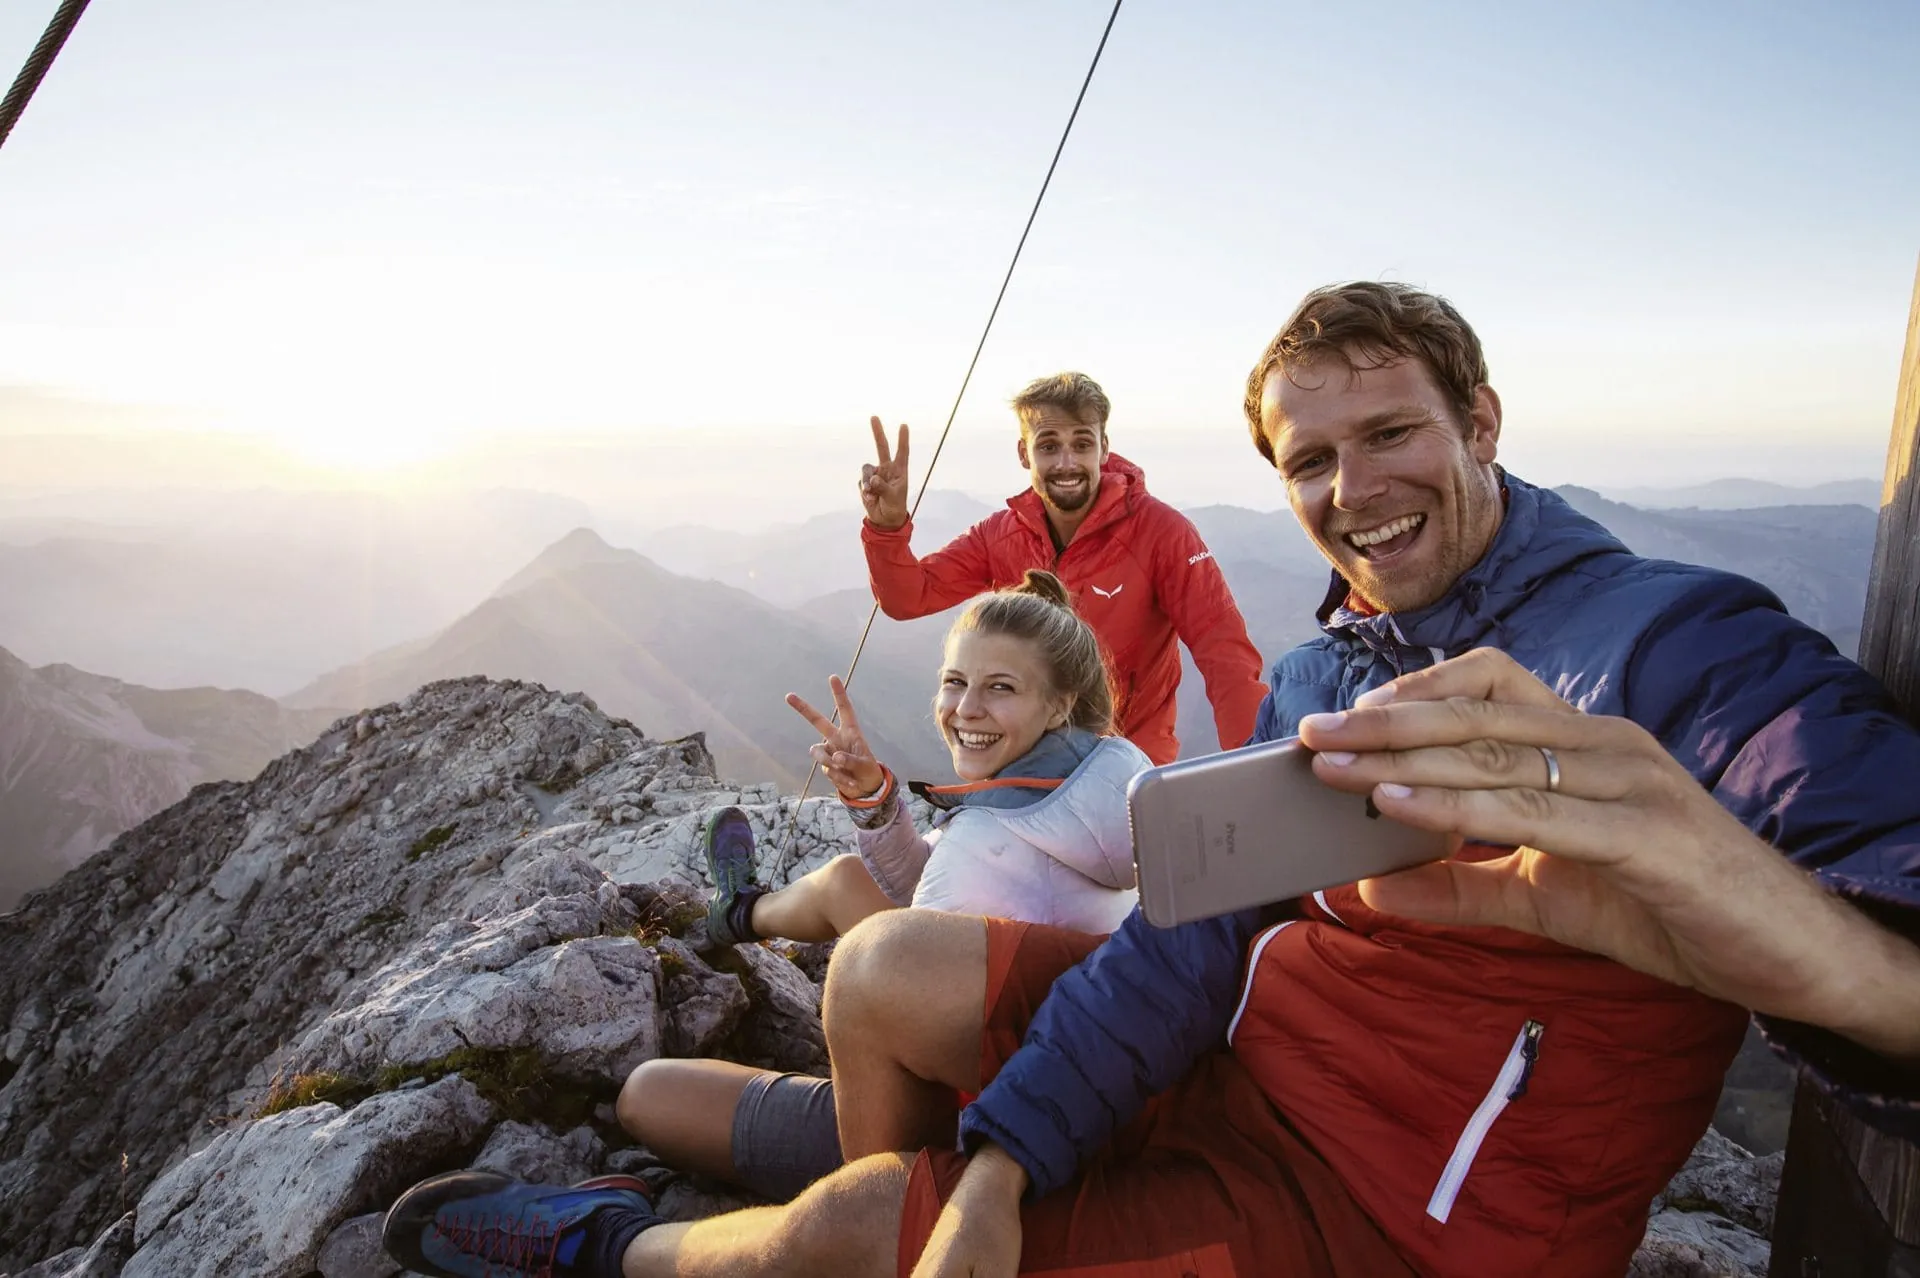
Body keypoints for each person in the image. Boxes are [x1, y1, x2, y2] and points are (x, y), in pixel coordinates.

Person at [382, 283, 1920, 1278]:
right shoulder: (1333, 666)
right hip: (1249, 1064)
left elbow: (1878, 863)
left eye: (1392, 431)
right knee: (881, 964)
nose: (1352, 490)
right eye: (1309, 462)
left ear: (1481, 421)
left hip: (1400, 1214)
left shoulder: (1675, 650)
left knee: (849, 1218)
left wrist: (1815, 946)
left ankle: (629, 1245)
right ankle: (916, 1167)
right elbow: (1198, 922)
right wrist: (1009, 1160)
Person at [647, 569, 1148, 1206]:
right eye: (955, 681)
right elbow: (934, 886)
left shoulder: (984, 841)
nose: (966, 708)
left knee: (648, 1093)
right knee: (844, 879)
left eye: (1000, 687)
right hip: (1052, 1067)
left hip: (967, 1129)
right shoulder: (1100, 788)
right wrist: (873, 800)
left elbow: (904, 962)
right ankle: (742, 911)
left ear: (1059, 704)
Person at [859, 371, 1267, 765]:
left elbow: (1222, 648)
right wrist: (887, 528)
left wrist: (1254, 761)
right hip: (1025, 759)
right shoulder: (999, 535)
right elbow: (909, 597)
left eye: (1082, 444)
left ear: (1103, 448)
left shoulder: (1162, 533)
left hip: (1127, 761)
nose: (1067, 463)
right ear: (1024, 453)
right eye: (1049, 446)